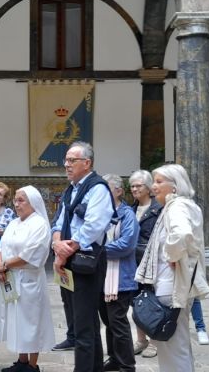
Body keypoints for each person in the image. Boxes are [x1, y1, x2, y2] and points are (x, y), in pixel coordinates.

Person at [135, 164, 209, 372]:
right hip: (173, 285)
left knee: (172, 348)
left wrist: (172, 254)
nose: (154, 186)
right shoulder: (179, 206)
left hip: (171, 287)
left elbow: (181, 234)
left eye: (160, 182)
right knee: (178, 346)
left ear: (175, 186)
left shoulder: (177, 206)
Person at [52, 141, 115, 372]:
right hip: (69, 259)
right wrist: (57, 244)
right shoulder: (71, 188)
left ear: (87, 163)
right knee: (80, 321)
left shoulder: (98, 188)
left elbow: (94, 225)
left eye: (72, 160)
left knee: (84, 325)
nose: (66, 165)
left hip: (86, 261)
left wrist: (68, 247)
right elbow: (59, 221)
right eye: (66, 160)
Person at [0, 185, 55, 372]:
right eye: (15, 200)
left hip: (29, 280)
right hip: (10, 278)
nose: (17, 204)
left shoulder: (40, 225)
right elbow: (1, 246)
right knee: (16, 320)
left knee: (31, 321)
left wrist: (4, 266)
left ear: (33, 202)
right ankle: (21, 360)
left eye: (21, 200)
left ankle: (32, 365)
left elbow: (31, 255)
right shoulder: (14, 223)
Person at [99, 174, 139, 372]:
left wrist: (98, 250)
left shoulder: (127, 215)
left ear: (119, 191)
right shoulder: (101, 213)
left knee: (118, 322)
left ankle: (127, 364)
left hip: (120, 277)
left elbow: (126, 244)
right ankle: (114, 358)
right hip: (101, 275)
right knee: (107, 321)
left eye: (108, 188)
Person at [129, 170, 162, 358]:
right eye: (132, 186)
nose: (134, 189)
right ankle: (141, 339)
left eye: (138, 185)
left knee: (152, 301)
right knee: (136, 301)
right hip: (132, 262)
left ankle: (155, 341)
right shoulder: (130, 209)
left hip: (151, 262)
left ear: (149, 188)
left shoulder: (158, 209)